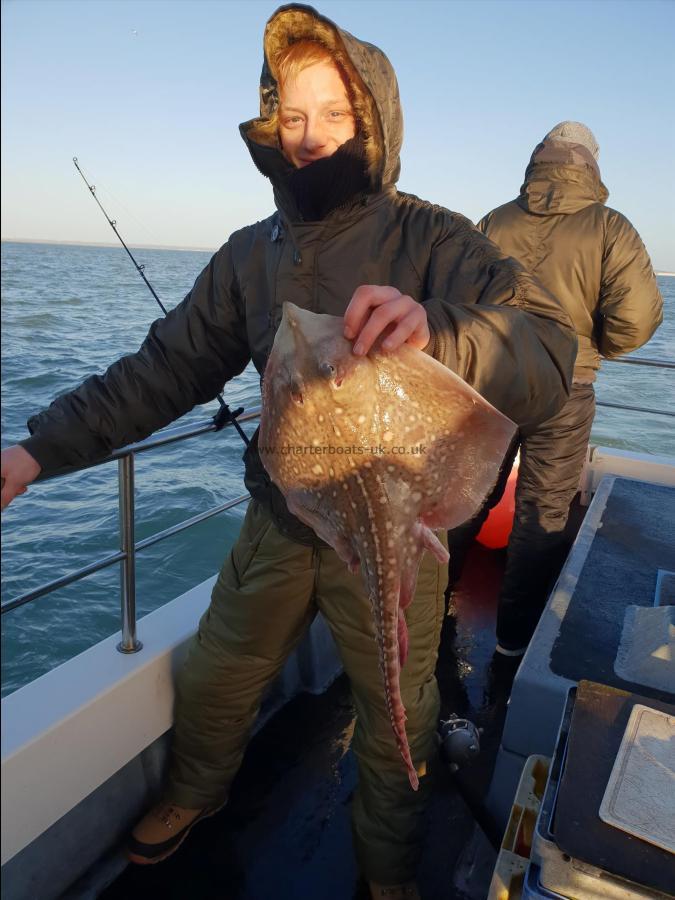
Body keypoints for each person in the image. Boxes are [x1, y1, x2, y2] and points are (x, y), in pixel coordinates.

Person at [0, 7, 577, 898]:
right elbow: (163, 371)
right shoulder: (247, 257)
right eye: (292, 115)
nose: (309, 138)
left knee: (396, 710)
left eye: (334, 115)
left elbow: (544, 350)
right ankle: (195, 793)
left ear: (373, 123)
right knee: (218, 675)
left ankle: (386, 869)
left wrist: (443, 332)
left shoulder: (438, 242)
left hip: (392, 529)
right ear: (273, 123)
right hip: (279, 520)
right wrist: (37, 452)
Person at [449, 121, 663, 658]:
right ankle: (513, 642)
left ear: (537, 162)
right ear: (591, 166)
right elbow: (635, 320)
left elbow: (455, 300)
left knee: (468, 496)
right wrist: (591, 349)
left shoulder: (492, 222)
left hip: (490, 387)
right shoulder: (610, 227)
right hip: (566, 389)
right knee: (542, 512)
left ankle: (432, 609)